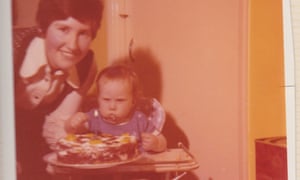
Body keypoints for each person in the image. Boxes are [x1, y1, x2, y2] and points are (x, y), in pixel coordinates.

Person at [13, 0, 104, 179]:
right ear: (43, 28)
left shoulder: (86, 66)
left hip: (34, 142)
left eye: (83, 33)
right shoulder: (9, 52)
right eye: (63, 29)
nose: (73, 46)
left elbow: (57, 126)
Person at [65, 64, 167, 153]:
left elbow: (162, 141)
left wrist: (156, 143)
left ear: (133, 101)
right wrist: (72, 123)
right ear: (98, 99)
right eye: (106, 99)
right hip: (102, 169)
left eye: (120, 100)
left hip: (133, 169)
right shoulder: (94, 118)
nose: (112, 106)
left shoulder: (139, 120)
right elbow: (71, 131)